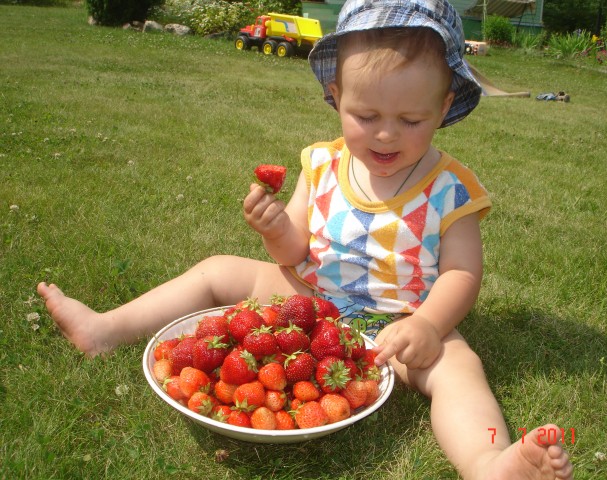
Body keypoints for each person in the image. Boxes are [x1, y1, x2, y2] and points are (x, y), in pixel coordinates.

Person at [38, 0, 573, 478]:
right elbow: (295, 250)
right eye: (366, 116)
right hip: (309, 299)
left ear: (444, 105)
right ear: (335, 96)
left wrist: (431, 325)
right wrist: (276, 229)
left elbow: (461, 273)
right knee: (216, 269)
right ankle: (105, 329)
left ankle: (488, 461)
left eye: (410, 119)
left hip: (398, 323)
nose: (386, 133)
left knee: (460, 369)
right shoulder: (321, 163)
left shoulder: (450, 190)